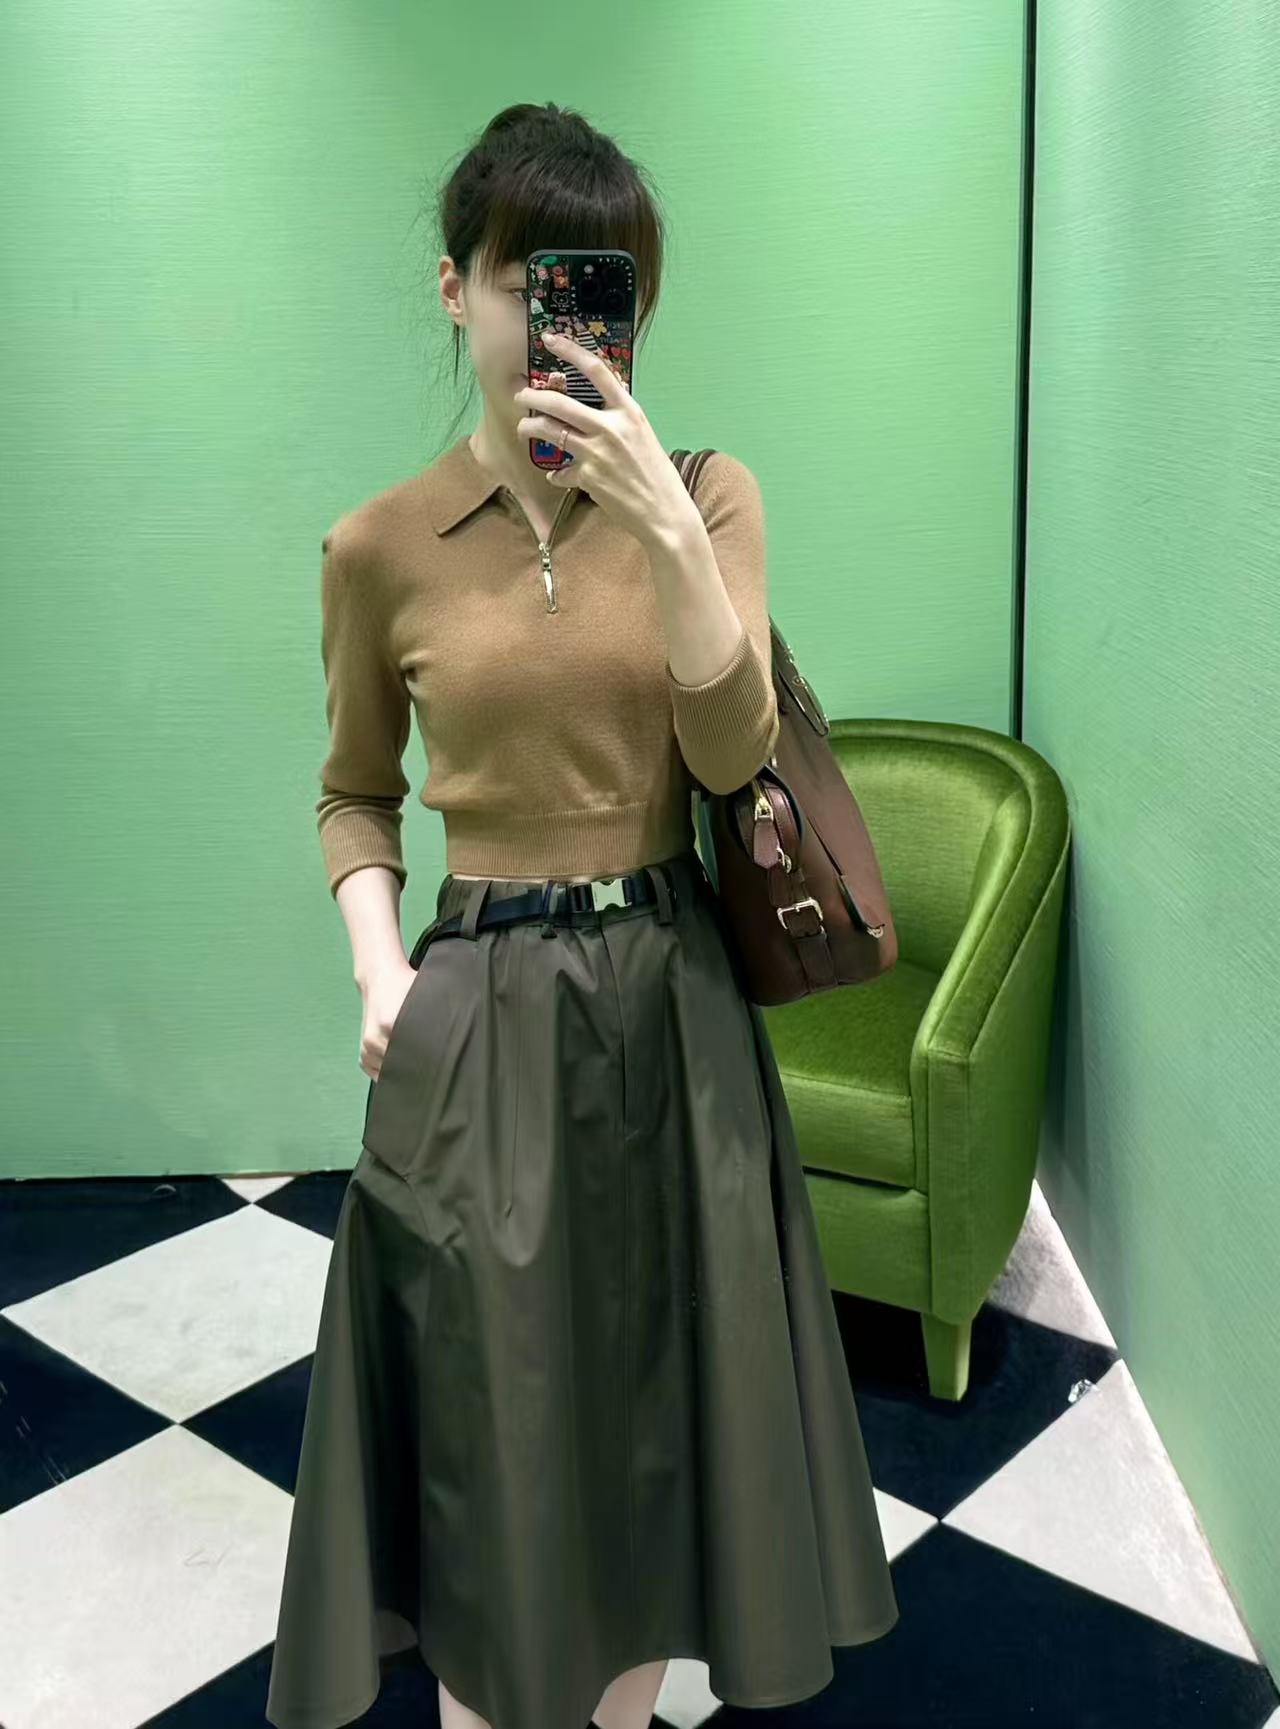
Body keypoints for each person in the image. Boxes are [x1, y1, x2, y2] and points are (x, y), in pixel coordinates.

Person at [265, 101, 899, 1729]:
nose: (558, 323)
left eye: (598, 289)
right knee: (493, 1426)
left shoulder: (709, 496)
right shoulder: (378, 548)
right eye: (523, 279)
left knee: (653, 1426)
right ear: (455, 289)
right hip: (479, 1011)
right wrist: (378, 966)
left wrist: (669, 535)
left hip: (673, 1003)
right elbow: (353, 791)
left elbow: (734, 756)